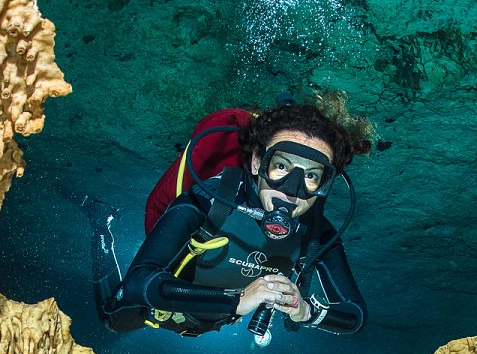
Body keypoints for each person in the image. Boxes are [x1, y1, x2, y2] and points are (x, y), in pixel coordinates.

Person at [86, 102, 370, 339]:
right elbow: (139, 281)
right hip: (162, 308)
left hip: (214, 321)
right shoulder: (212, 199)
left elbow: (355, 315)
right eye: (281, 166)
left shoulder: (317, 233)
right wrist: (236, 300)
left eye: (311, 176)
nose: (291, 189)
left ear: (324, 184)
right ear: (258, 162)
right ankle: (101, 229)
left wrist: (305, 310)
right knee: (111, 321)